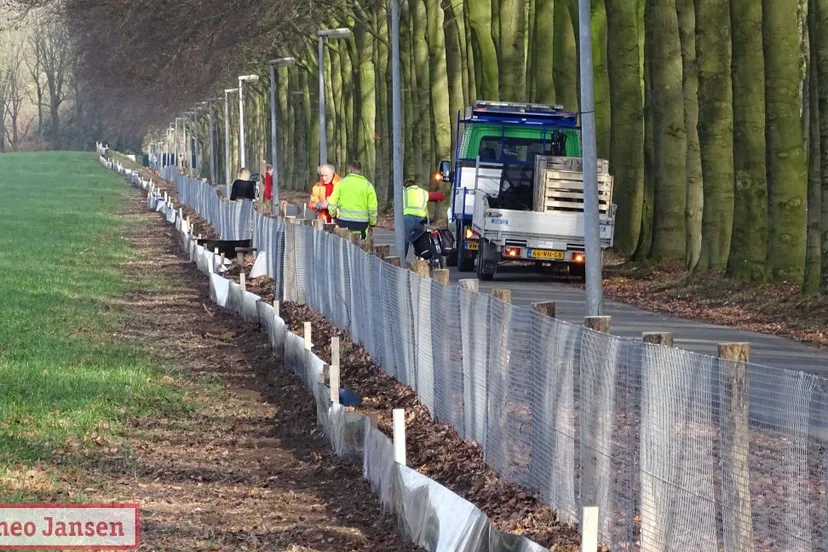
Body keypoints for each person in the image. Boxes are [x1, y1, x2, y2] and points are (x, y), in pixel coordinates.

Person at [327, 161, 378, 239]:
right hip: (362, 225)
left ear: (350, 169)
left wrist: (333, 216)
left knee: (344, 248)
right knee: (360, 248)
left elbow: (332, 202)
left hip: (344, 224)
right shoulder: (368, 185)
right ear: (360, 170)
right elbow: (372, 208)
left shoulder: (341, 183)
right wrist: (372, 224)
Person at [403, 179, 446, 257]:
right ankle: (422, 255)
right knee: (421, 238)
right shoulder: (423, 192)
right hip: (421, 220)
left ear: (406, 186)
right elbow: (440, 196)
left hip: (407, 219)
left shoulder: (403, 192)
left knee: (404, 240)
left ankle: (401, 260)